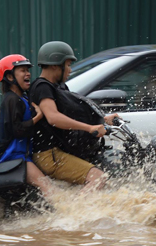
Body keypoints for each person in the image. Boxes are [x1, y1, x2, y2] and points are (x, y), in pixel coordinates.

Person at [29, 41, 118, 192]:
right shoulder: (42, 87)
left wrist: (103, 119)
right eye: (68, 64)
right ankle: (74, 214)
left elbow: (75, 111)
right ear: (55, 65)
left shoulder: (59, 87)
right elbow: (53, 117)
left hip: (60, 150)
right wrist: (90, 128)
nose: (70, 70)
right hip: (49, 155)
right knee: (98, 177)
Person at [0, 54, 53, 197]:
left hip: (22, 154)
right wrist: (37, 117)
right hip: (12, 157)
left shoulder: (23, 98)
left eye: (28, 70)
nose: (28, 74)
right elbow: (17, 130)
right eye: (22, 70)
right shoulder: (11, 100)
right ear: (9, 77)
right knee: (48, 187)